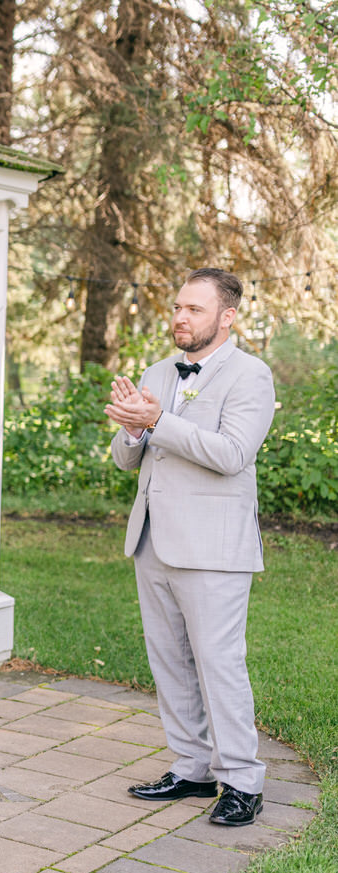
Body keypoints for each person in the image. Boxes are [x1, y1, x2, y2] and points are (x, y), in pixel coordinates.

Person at [106, 267, 275, 827]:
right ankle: (192, 767)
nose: (180, 317)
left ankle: (242, 781)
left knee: (218, 663)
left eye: (194, 309)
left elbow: (231, 455)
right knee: (169, 662)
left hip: (212, 547)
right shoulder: (158, 369)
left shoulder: (251, 376)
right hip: (153, 536)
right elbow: (128, 456)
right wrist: (133, 431)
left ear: (226, 317)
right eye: (177, 307)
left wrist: (156, 421)